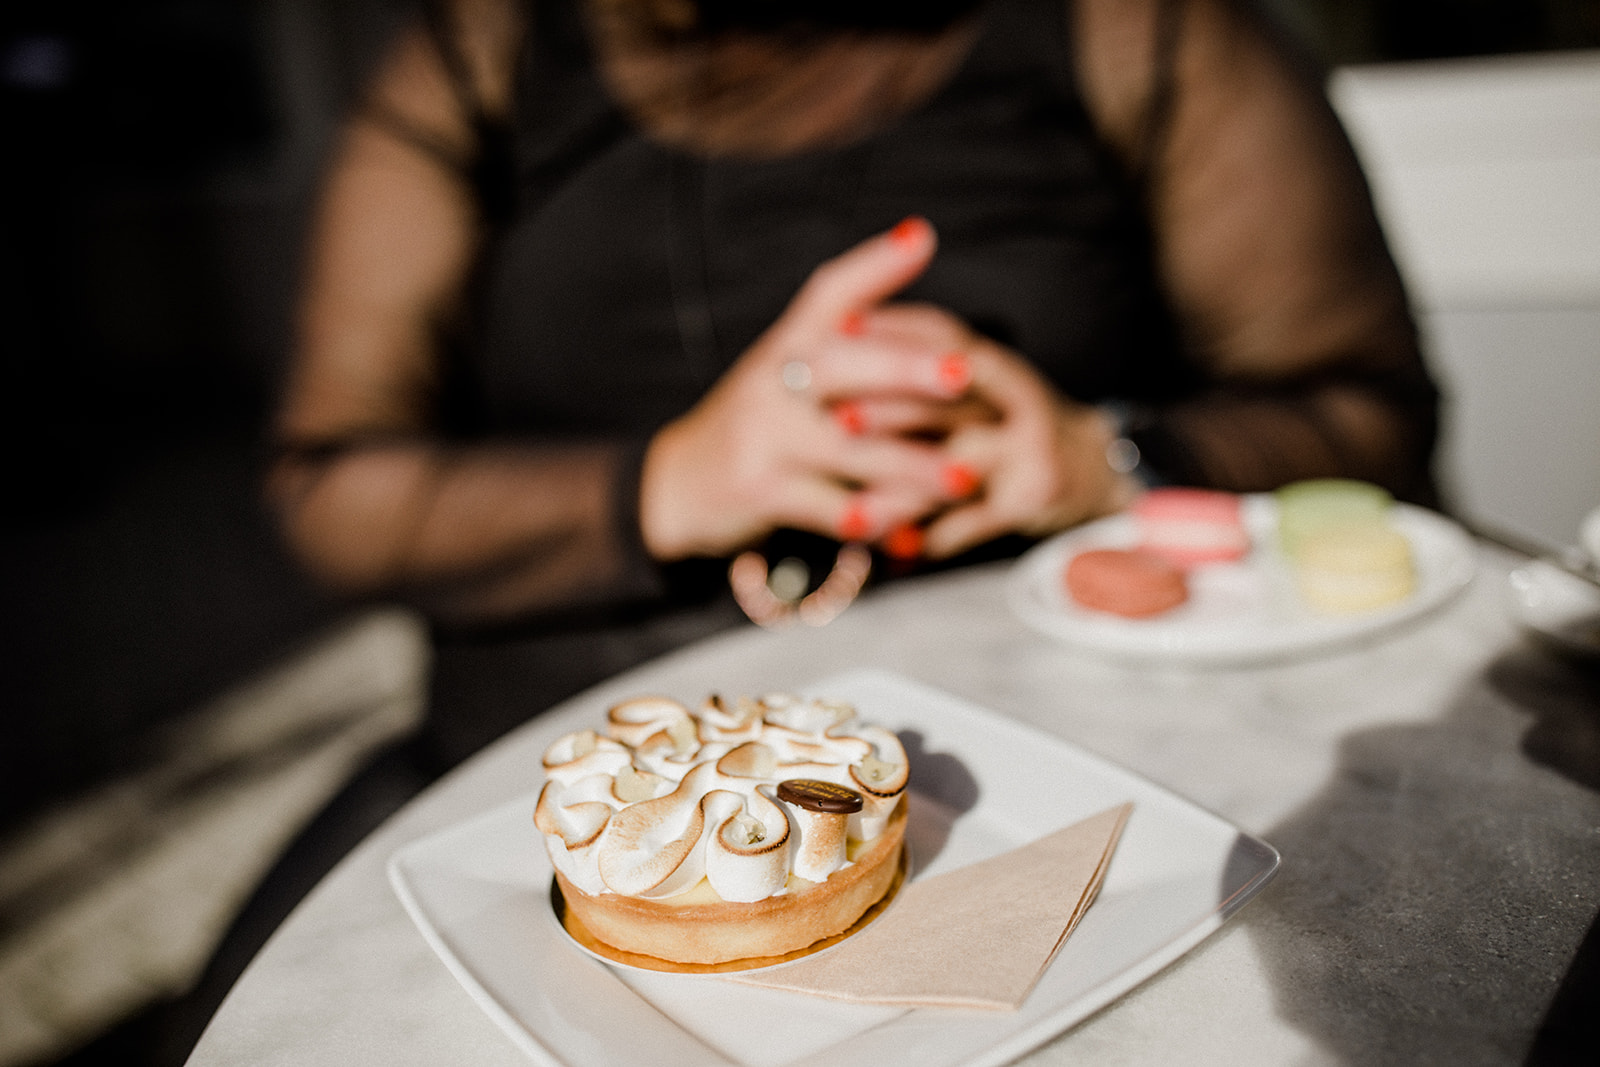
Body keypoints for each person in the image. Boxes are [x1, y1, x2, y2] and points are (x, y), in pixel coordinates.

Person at [267, 0, 1438, 764]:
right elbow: (329, 496)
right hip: (577, 758)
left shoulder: (1138, 27)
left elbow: (1371, 410)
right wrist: (671, 481)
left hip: (1065, 737)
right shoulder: (471, 55)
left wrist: (1105, 460)